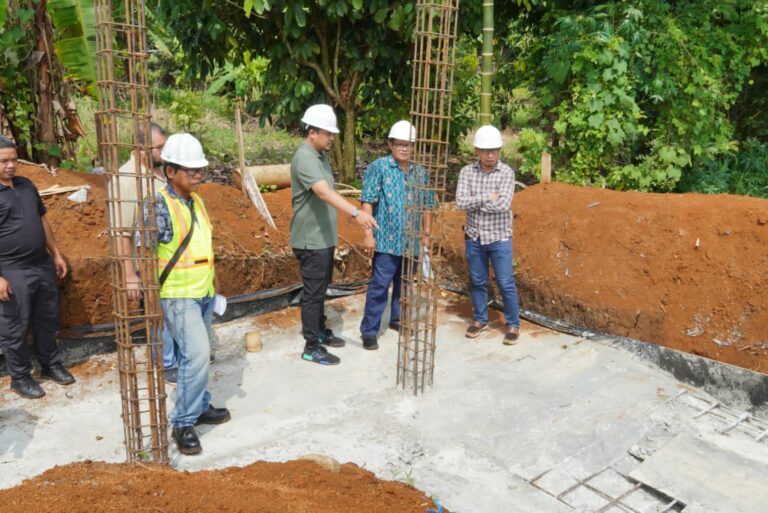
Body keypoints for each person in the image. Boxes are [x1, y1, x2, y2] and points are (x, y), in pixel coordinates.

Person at [141, 133, 230, 455]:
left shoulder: (197, 201)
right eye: (191, 170)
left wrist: (216, 283)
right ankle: (183, 422)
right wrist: (150, 298)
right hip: (178, 296)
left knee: (197, 357)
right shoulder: (158, 205)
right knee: (195, 356)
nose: (198, 175)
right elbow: (145, 253)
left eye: (200, 170)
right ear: (170, 171)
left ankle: (201, 404)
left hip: (202, 292)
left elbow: (204, 246)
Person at [290, 104, 378, 365]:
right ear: (312, 132)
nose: (331, 138)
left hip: (323, 238)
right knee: (313, 293)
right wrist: (356, 214)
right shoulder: (305, 157)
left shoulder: (320, 156)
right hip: (310, 239)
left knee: (321, 289)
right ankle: (310, 346)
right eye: (327, 133)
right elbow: (323, 193)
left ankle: (319, 332)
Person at [0, 135, 75, 398]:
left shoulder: (26, 185)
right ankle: (19, 377)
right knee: (15, 324)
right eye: (4, 161)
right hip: (11, 269)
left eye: (13, 160)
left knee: (47, 317)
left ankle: (49, 364)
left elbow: (42, 221)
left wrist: (55, 254)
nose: (10, 166)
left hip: (41, 264)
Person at [112, 122, 181, 384]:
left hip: (169, 264)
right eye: (159, 147)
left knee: (170, 313)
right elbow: (121, 232)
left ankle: (174, 357)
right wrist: (130, 275)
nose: (164, 150)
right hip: (147, 264)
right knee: (156, 314)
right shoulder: (128, 180)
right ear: (141, 148)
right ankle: (164, 364)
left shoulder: (160, 172)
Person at [359, 121, 433, 350]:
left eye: (408, 144)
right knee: (380, 286)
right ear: (390, 144)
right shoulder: (379, 168)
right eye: (399, 144)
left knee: (404, 285)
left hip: (410, 241)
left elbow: (427, 206)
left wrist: (426, 234)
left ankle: (397, 320)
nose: (404, 148)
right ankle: (369, 331)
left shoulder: (420, 173)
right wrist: (368, 235)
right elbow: (367, 202)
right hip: (386, 241)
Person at [455, 125, 521, 345]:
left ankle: (513, 324)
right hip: (474, 237)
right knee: (478, 280)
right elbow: (460, 202)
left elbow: (503, 205)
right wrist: (487, 196)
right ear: (477, 151)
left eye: (494, 150)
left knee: (505, 282)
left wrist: (476, 200)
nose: (491, 155)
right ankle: (480, 319)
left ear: (499, 150)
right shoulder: (466, 172)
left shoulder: (506, 173)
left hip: (499, 237)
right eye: (486, 151)